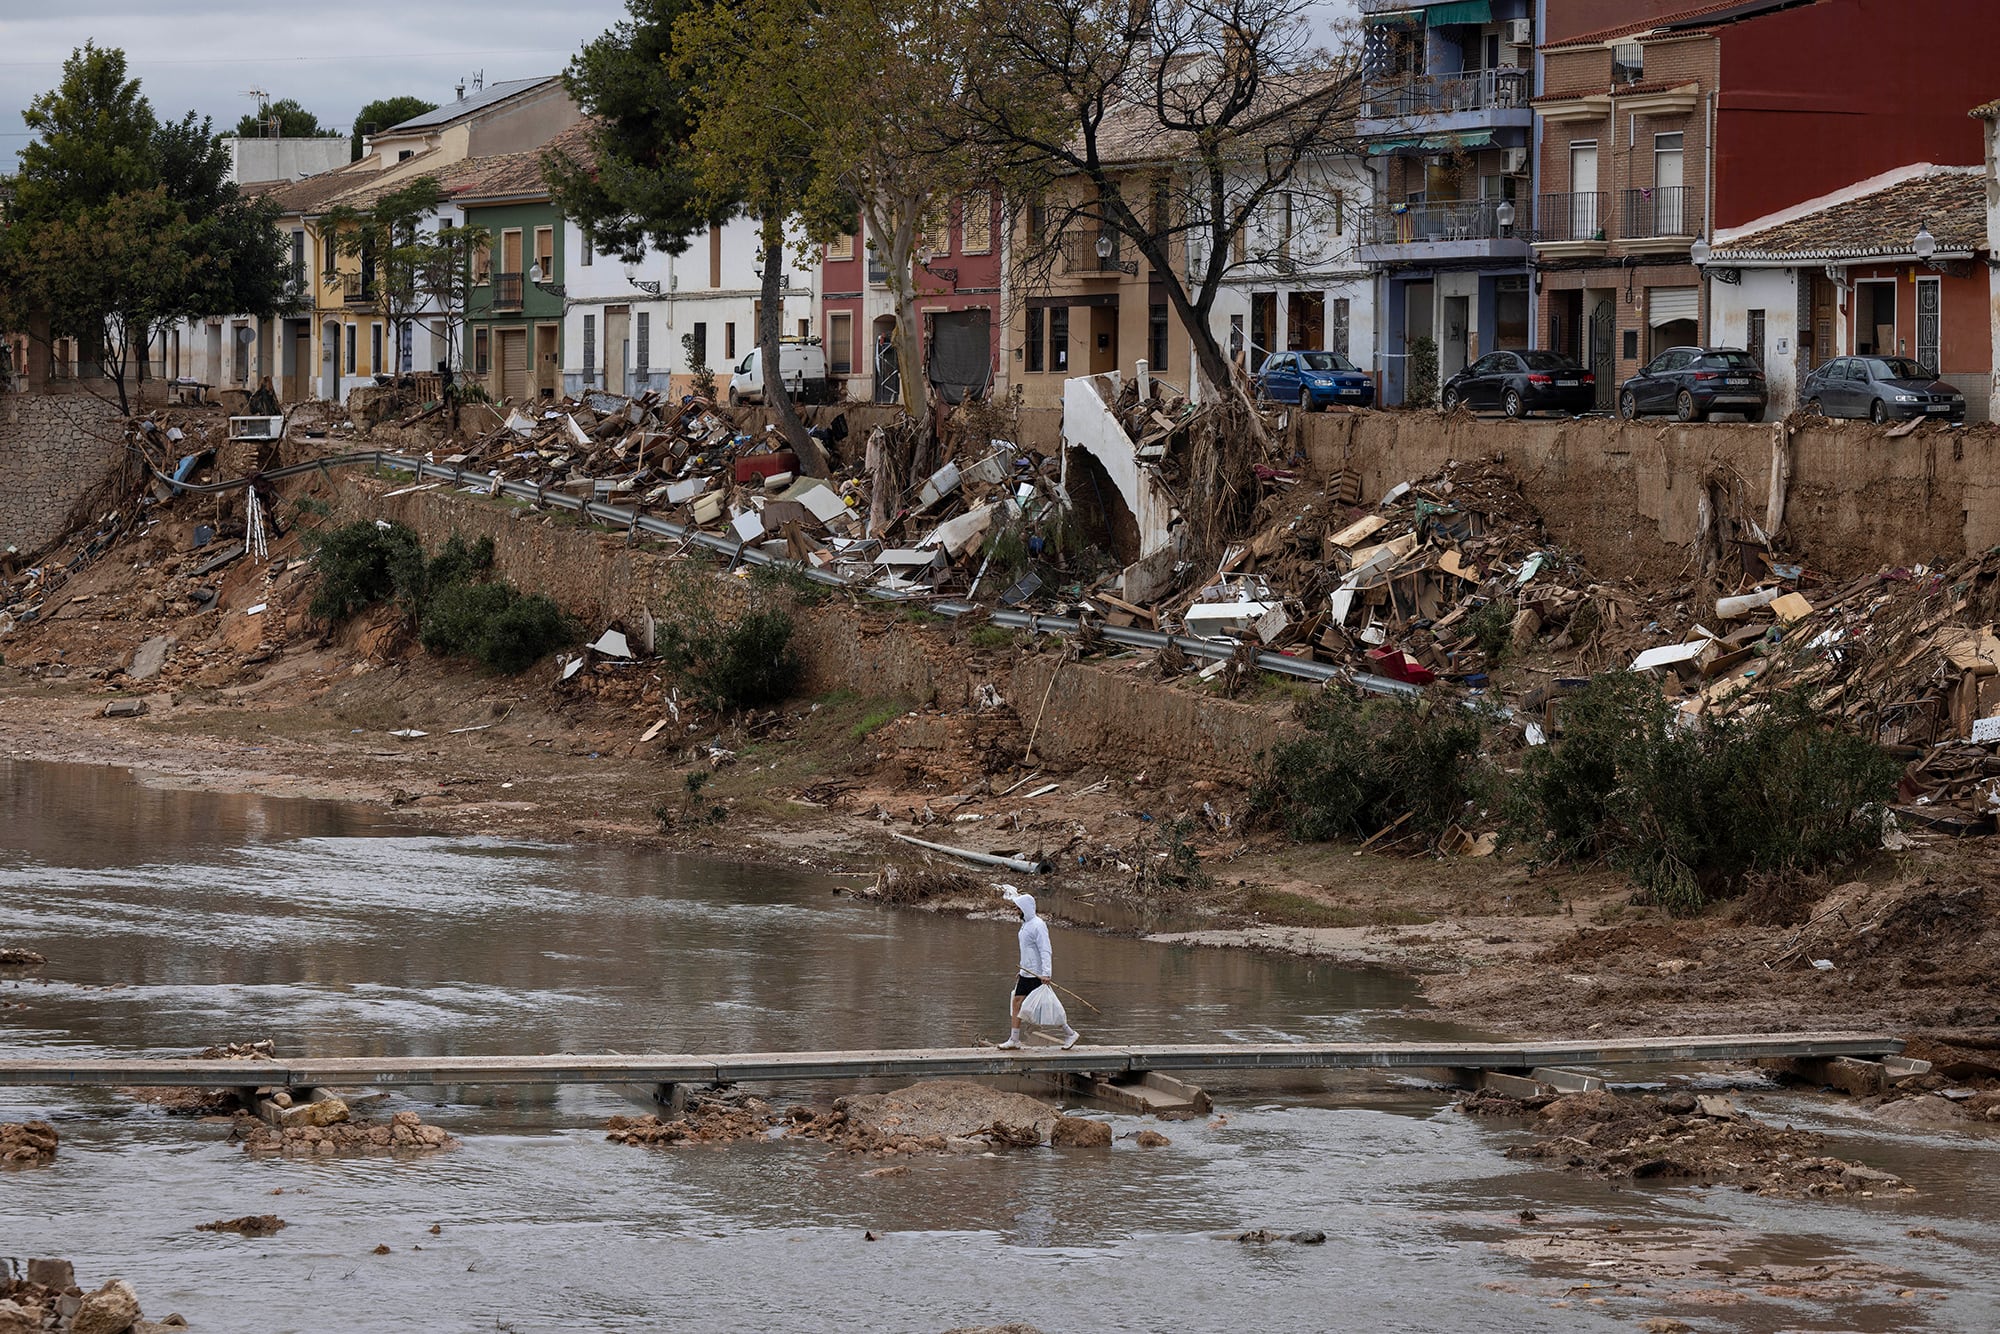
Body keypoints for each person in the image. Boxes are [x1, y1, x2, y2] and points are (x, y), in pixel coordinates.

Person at [997, 887, 1079, 1050]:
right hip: (1026, 973)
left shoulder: (1038, 925)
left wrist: (1046, 973)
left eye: (1018, 909)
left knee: (1048, 1006)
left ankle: (1070, 1033)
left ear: (1025, 909)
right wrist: (1021, 970)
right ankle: (1014, 1039)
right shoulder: (1025, 925)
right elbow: (1028, 951)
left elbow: (1045, 950)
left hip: (1037, 974)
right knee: (1017, 1002)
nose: (1016, 911)